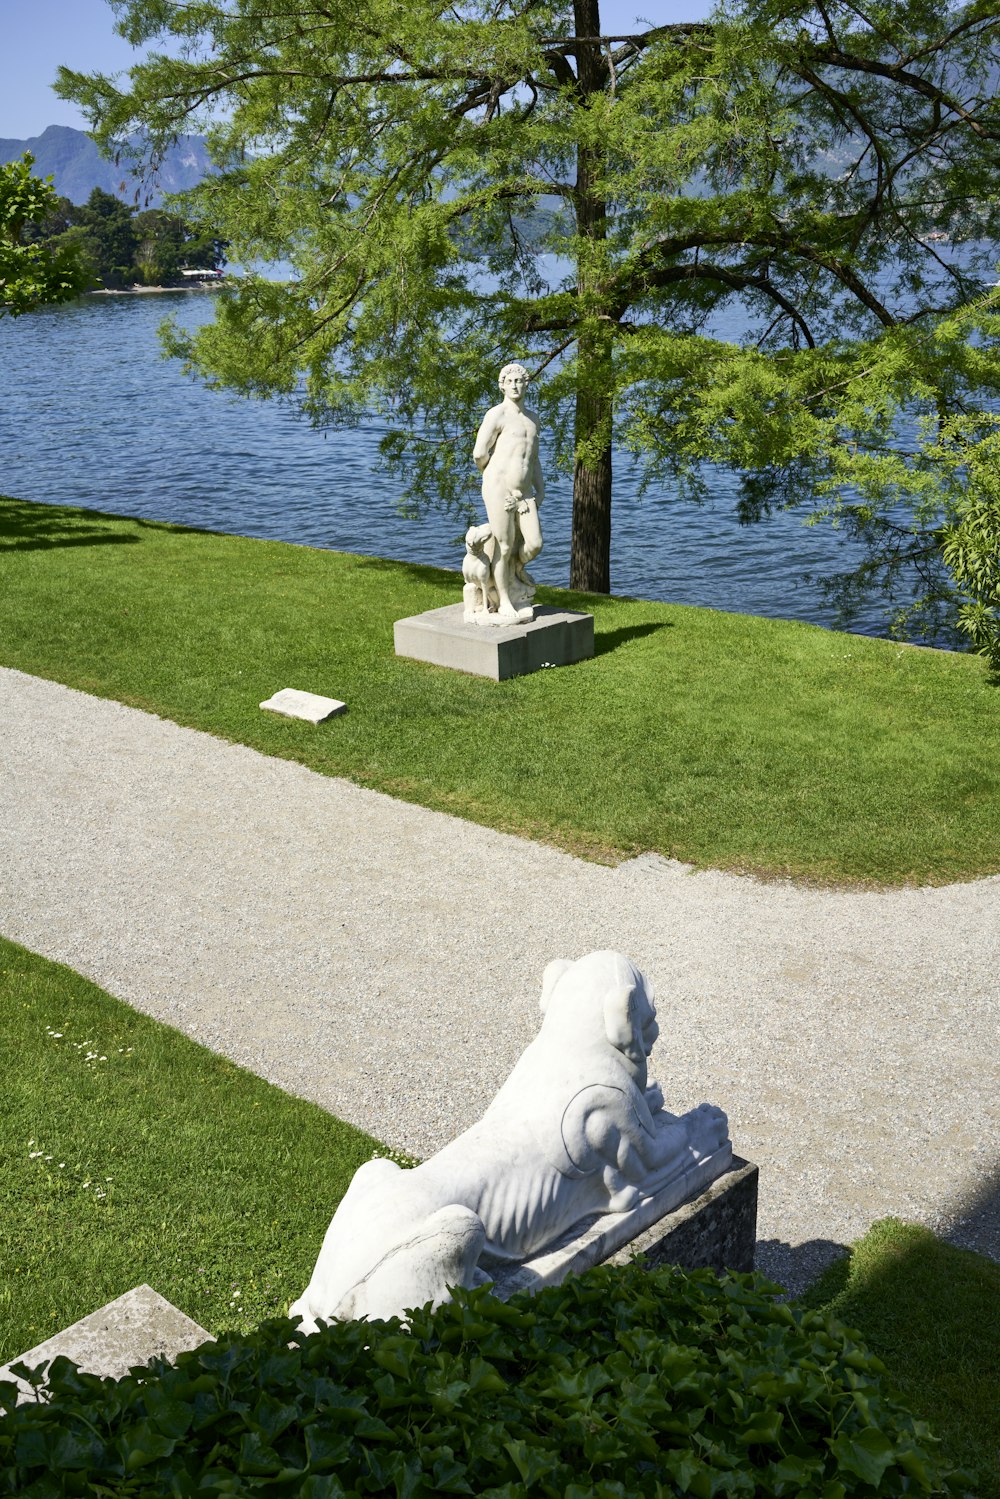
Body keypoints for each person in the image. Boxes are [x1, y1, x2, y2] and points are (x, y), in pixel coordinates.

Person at [472, 362, 544, 622]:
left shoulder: (533, 419)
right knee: (504, 545)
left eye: (519, 381)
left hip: (524, 494)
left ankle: (513, 573)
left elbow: (533, 458)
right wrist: (493, 477)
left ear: (526, 384)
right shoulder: (497, 415)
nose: (515, 385)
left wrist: (541, 487)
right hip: (499, 490)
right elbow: (480, 452)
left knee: (534, 544)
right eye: (509, 381)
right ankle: (503, 600)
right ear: (502, 385)